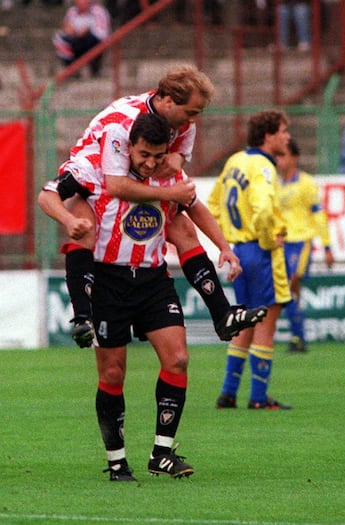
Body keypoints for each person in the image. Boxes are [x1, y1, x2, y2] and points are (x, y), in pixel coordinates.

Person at [38, 112, 266, 481]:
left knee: (178, 359)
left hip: (152, 280)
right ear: (128, 147)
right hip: (108, 280)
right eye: (143, 154)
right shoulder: (94, 171)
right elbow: (46, 196)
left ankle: (162, 452)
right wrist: (68, 221)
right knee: (113, 372)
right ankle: (117, 461)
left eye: (157, 156)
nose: (149, 162)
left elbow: (195, 208)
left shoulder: (167, 175)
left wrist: (224, 247)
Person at [58, 64, 265, 348]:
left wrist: (224, 247)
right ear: (167, 101)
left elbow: (177, 164)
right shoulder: (124, 122)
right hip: (98, 179)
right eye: (190, 112)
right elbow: (116, 184)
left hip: (137, 175)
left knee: (183, 228)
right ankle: (82, 314)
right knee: (82, 224)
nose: (193, 121)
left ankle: (222, 313)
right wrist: (171, 193)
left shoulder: (181, 124)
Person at [208, 109, 293, 410]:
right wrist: (270, 240)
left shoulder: (235, 161)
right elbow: (265, 209)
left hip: (240, 250)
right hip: (260, 249)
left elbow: (214, 204)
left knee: (243, 323)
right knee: (266, 322)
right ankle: (258, 398)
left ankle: (228, 393)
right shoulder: (264, 167)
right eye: (283, 131)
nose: (288, 137)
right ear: (269, 136)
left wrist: (229, 238)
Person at [277, 138, 334, 352]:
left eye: (282, 155)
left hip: (301, 242)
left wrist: (327, 246)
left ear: (294, 157)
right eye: (277, 156)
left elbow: (318, 215)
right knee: (288, 291)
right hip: (281, 243)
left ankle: (297, 337)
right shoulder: (274, 183)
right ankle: (297, 337)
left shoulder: (306, 183)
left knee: (292, 283)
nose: (279, 160)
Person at [52, 0, 111, 77]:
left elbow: (102, 34)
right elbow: (67, 28)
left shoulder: (99, 11)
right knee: (60, 40)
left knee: (92, 41)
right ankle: (71, 68)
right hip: (76, 40)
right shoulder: (72, 11)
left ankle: (95, 68)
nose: (81, 3)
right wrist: (73, 32)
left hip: (92, 41)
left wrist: (87, 31)